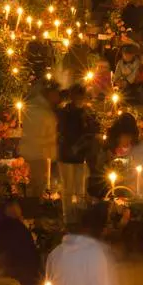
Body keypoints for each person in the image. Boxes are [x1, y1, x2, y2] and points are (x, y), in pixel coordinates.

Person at [57, 84, 99, 220]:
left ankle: (79, 217)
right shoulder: (65, 112)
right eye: (77, 97)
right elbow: (64, 131)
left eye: (81, 98)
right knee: (68, 189)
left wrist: (89, 121)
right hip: (67, 155)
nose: (79, 101)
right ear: (72, 97)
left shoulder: (86, 113)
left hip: (80, 156)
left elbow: (92, 131)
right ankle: (68, 218)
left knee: (79, 189)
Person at [19, 81, 59, 197]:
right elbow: (40, 133)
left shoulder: (41, 107)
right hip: (37, 154)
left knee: (37, 183)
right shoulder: (40, 110)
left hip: (37, 153)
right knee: (36, 184)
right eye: (56, 94)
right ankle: (33, 207)